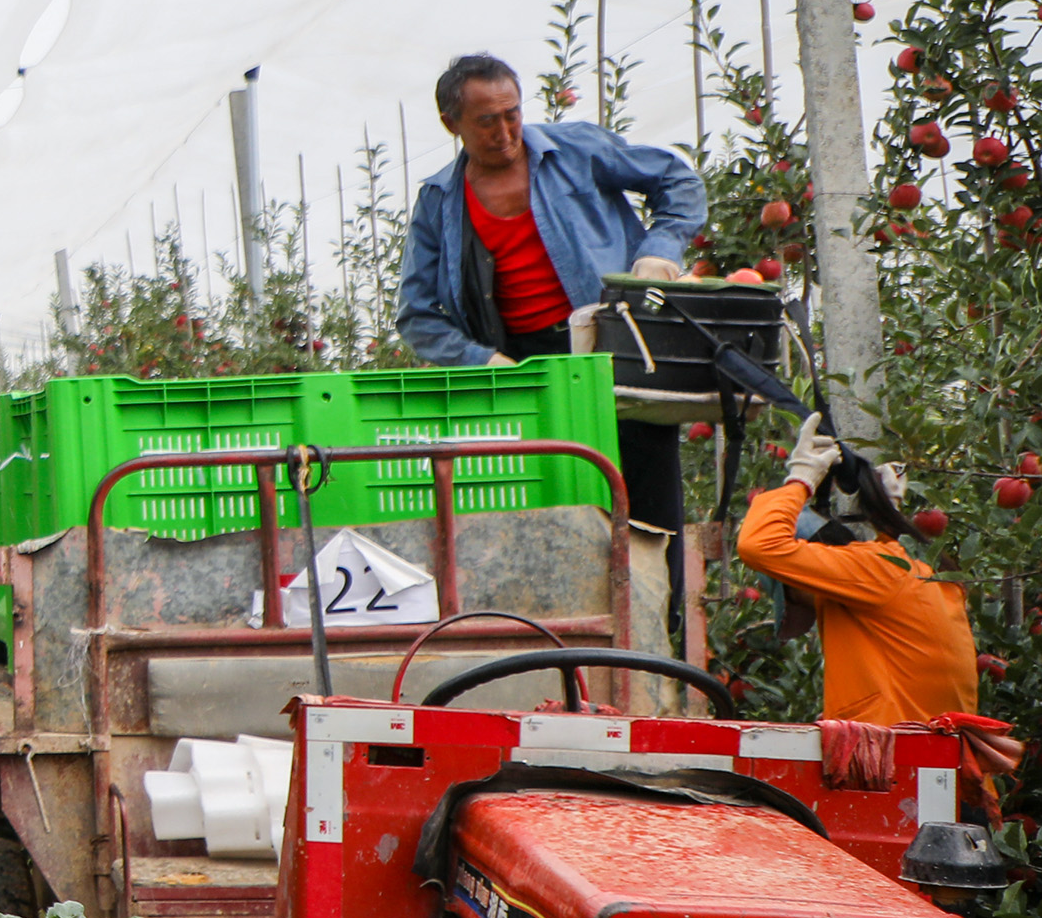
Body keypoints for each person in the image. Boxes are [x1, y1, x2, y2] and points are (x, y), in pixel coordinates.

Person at [394, 52, 708, 545]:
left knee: (649, 507)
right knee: (553, 512)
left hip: (616, 351)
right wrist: (483, 361)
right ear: (450, 123)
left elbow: (678, 181)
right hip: (526, 371)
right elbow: (416, 315)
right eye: (486, 122)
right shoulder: (439, 201)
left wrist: (658, 252)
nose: (504, 132)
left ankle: (661, 620)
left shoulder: (576, 149)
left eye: (512, 113)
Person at [734, 414, 991, 747]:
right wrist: (887, 505)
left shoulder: (875, 572)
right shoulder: (921, 572)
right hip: (936, 775)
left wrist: (801, 478)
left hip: (897, 775)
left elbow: (758, 545)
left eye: (794, 589)